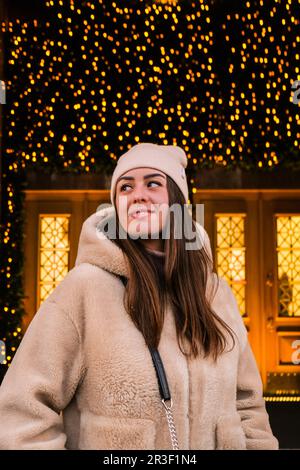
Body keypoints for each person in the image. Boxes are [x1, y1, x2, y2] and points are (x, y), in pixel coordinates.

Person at [0, 143, 278, 450]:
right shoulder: (85, 289)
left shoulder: (216, 294)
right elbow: (21, 414)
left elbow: (249, 408)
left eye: (153, 183)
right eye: (126, 187)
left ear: (177, 201)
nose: (138, 194)